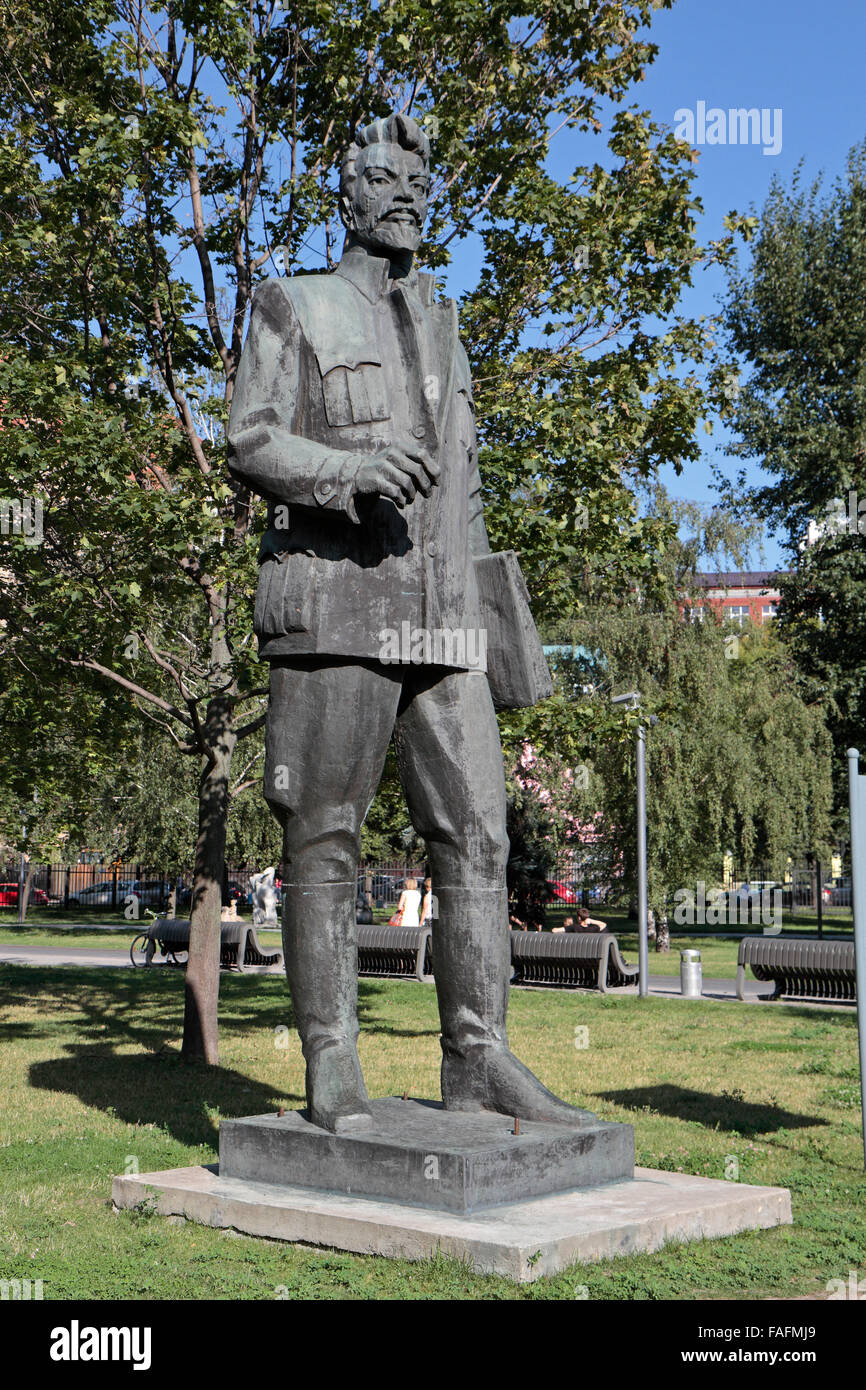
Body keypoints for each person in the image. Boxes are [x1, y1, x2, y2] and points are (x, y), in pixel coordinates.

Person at [227, 112, 595, 1136]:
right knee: (326, 836)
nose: (408, 199)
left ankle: (478, 1058)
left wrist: (495, 624)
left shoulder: (442, 321)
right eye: (387, 182)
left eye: (420, 187)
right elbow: (248, 437)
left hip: (441, 621)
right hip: (340, 607)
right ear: (346, 195)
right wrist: (347, 471)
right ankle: (330, 1060)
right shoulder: (291, 304)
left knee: (478, 834)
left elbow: (463, 490)